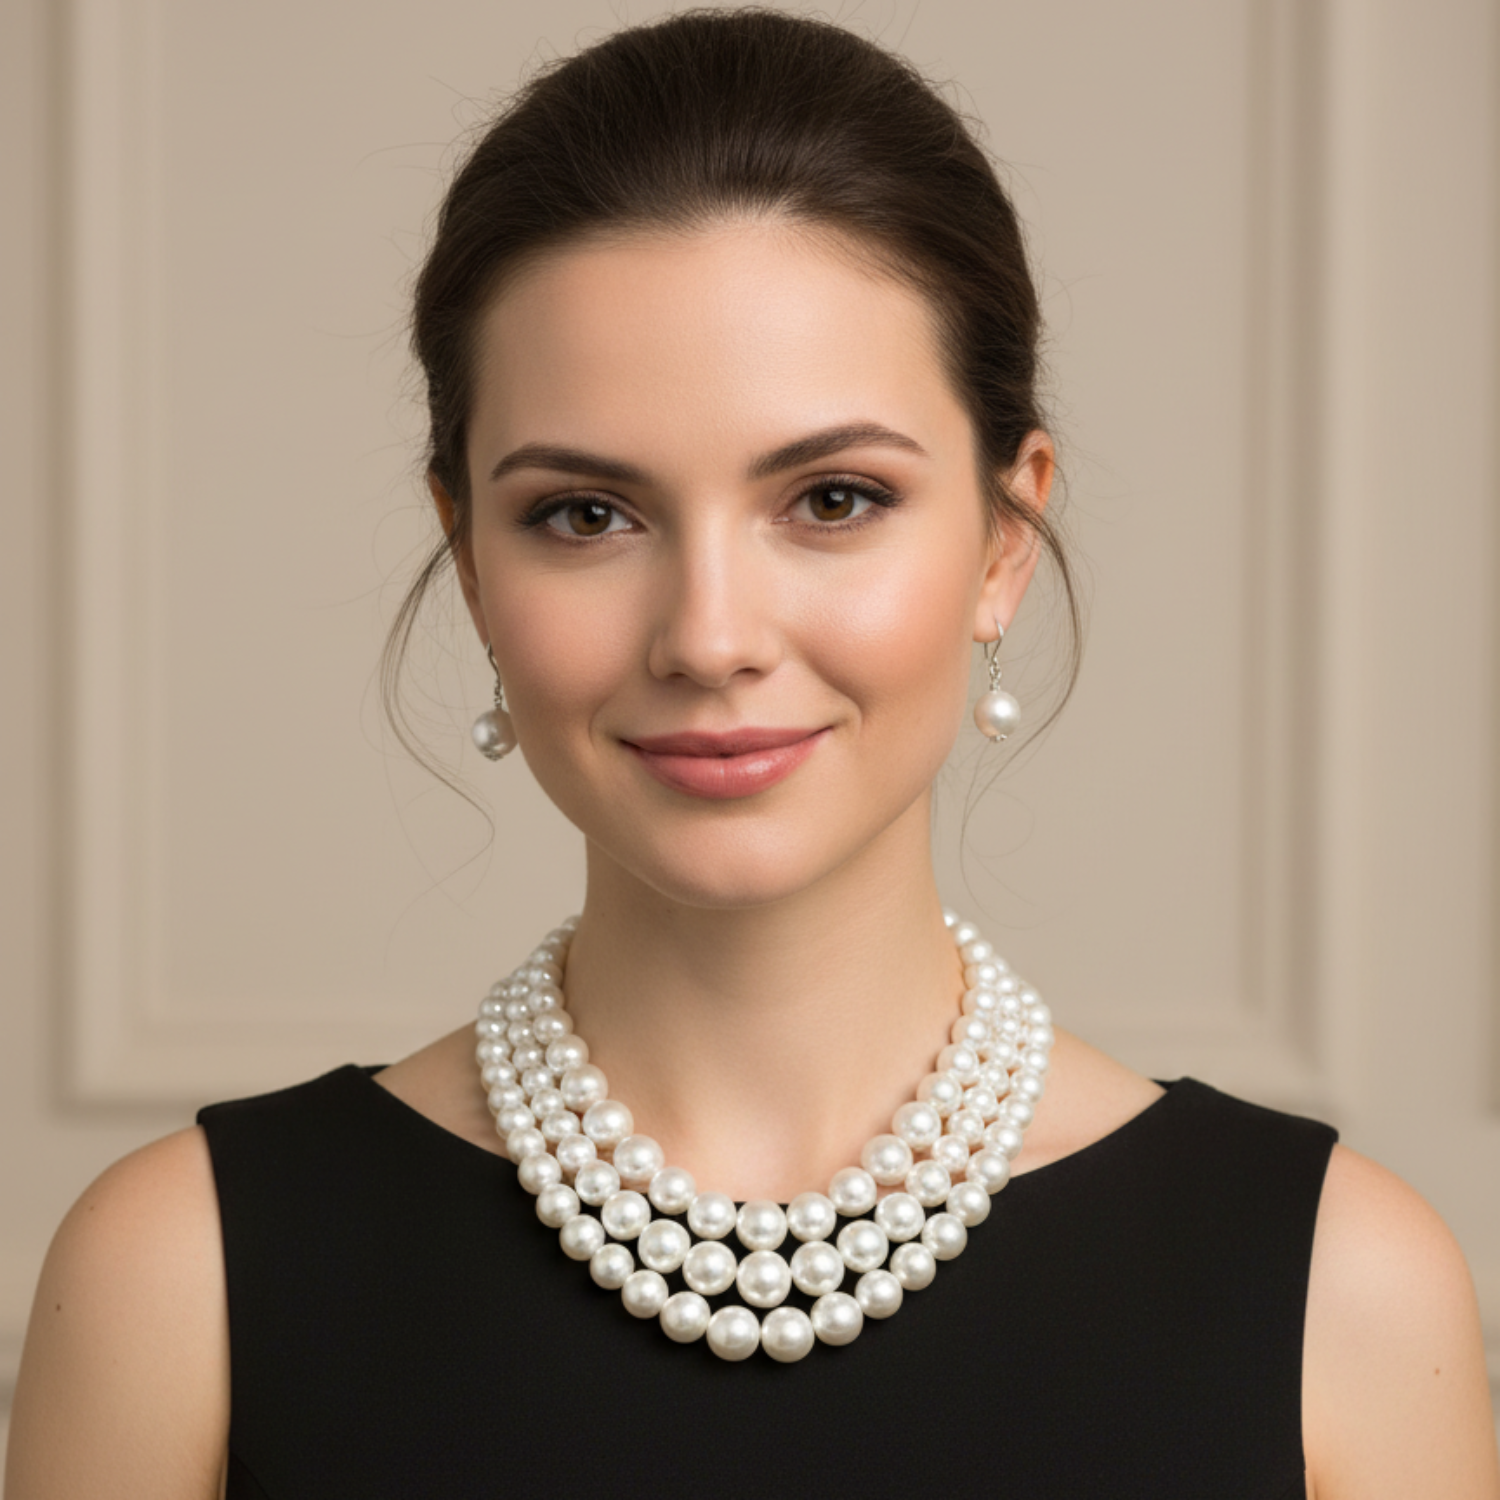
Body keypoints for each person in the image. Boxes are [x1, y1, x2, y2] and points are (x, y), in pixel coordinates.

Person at [8, 10, 1498, 1498]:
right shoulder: (179, 1279)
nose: (709, 637)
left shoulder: (1341, 1295)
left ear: (1004, 538)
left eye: (833, 499)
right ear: (468, 559)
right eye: (586, 515)